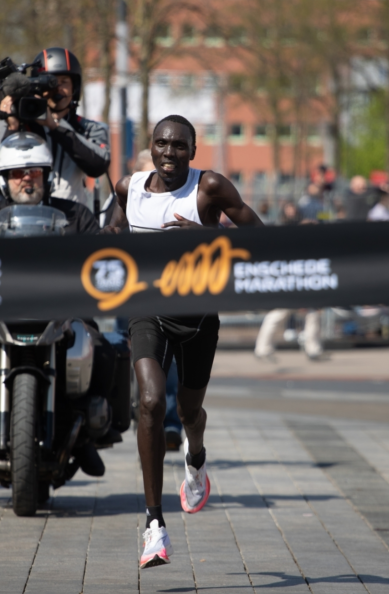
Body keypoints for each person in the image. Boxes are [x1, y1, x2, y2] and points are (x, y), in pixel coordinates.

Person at [106, 115, 263, 568]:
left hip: (197, 318)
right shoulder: (128, 187)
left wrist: (207, 235)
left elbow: (262, 237)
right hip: (146, 309)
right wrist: (109, 236)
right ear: (150, 148)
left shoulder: (209, 188)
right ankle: (155, 525)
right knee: (152, 402)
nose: (169, 153)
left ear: (193, 151)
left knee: (189, 411)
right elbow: (112, 231)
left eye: (179, 146)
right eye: (161, 144)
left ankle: (196, 459)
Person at [0, 131, 110, 478]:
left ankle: (85, 439)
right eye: (18, 173)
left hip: (65, 310)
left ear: (47, 175)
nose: (27, 178)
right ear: (3, 179)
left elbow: (101, 257)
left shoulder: (76, 215)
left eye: (34, 171)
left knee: (102, 349)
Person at [0, 47, 109, 207]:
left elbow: (98, 166)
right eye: (49, 82)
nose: (57, 89)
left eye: (64, 82)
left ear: (75, 87)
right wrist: (13, 128)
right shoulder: (7, 125)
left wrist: (55, 126)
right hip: (19, 218)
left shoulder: (88, 128)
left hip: (71, 220)